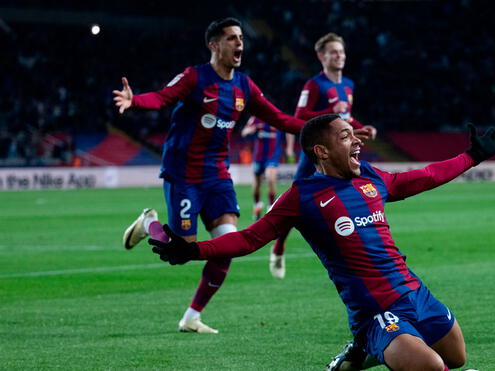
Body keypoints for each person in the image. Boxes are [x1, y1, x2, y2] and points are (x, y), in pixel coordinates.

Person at [149, 114, 495, 369]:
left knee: (457, 358)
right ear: (321, 151)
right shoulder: (301, 196)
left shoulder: (369, 175)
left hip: (415, 292)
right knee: (431, 367)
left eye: (354, 135)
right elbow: (249, 238)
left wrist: (472, 156)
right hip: (374, 312)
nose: (357, 141)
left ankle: (363, 355)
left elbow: (423, 176)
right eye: (346, 136)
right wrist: (192, 250)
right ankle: (369, 341)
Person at [112, 17, 312, 334]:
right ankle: (148, 223)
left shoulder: (244, 86)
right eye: (232, 38)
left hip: (217, 176)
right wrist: (134, 100)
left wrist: (327, 126)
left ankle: (191, 316)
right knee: (180, 251)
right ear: (214, 45)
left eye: (241, 38)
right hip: (184, 175)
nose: (240, 44)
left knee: (228, 246)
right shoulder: (195, 77)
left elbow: (280, 119)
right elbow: (163, 97)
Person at [272, 32, 377, 278]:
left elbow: (345, 117)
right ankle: (278, 247)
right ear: (321, 56)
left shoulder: (348, 84)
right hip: (316, 154)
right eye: (333, 52)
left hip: (340, 154)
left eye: (341, 51)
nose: (338, 56)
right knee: (294, 200)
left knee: (354, 194)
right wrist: (330, 109)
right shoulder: (314, 85)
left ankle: (354, 247)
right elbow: (299, 116)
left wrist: (362, 126)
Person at [240, 115, 287, 279]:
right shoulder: (255, 119)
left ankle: (270, 206)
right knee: (257, 185)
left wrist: (288, 150)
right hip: (258, 156)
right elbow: (244, 132)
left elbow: (288, 128)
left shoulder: (276, 118)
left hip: (272, 157)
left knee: (272, 177)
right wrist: (250, 130)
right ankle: (257, 204)